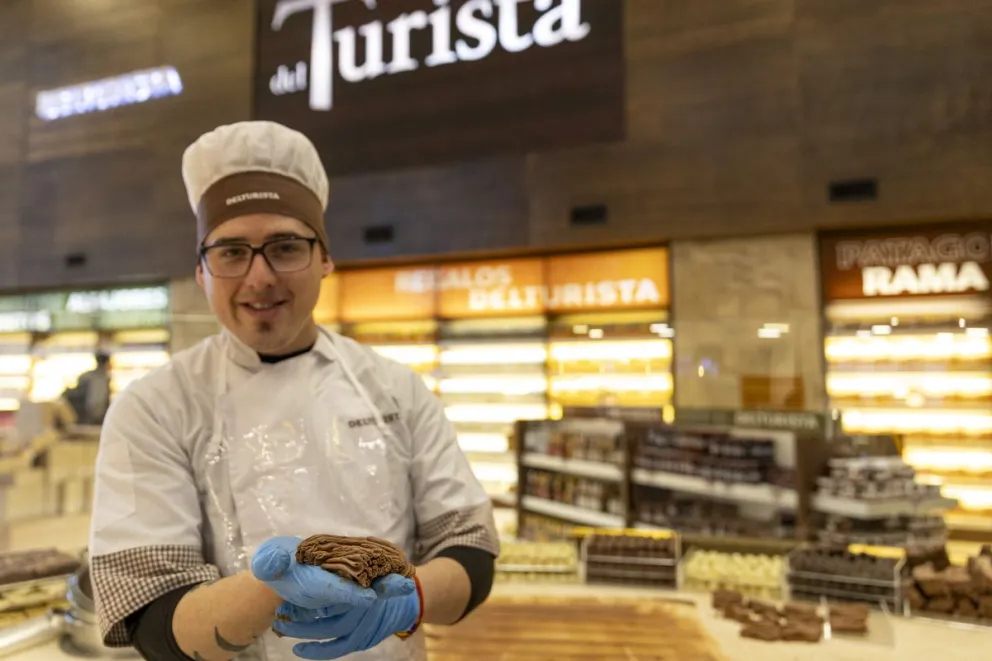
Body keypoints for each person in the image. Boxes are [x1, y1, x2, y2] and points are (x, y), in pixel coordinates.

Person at [88, 121, 500, 661]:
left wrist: (410, 598)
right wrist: (271, 589)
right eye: (231, 252)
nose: (259, 277)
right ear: (201, 271)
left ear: (325, 257)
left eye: (285, 246)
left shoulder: (396, 390)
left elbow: (470, 549)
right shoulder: (154, 408)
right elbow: (150, 616)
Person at [63, 352, 111, 425]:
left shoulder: (86, 376)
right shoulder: (102, 378)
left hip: (88, 415)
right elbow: (99, 400)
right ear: (107, 363)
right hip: (93, 415)